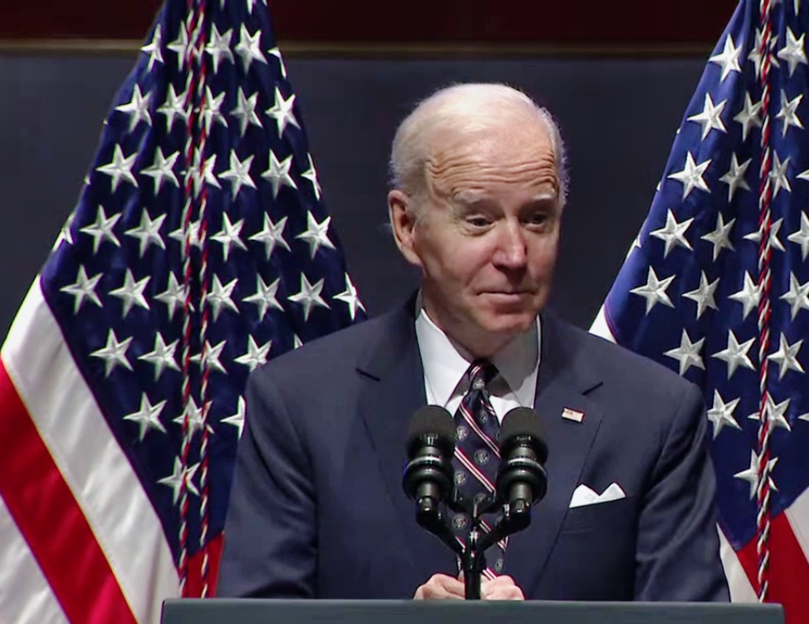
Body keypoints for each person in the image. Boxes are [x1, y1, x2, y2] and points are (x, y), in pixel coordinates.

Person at [217, 83, 729, 601]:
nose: (513, 254)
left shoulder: (652, 413)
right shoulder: (299, 406)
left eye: (536, 219)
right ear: (407, 225)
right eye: (479, 220)